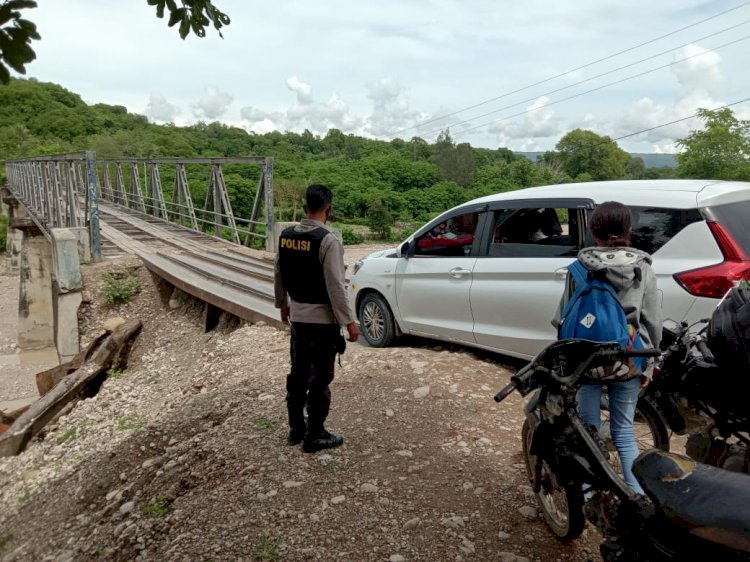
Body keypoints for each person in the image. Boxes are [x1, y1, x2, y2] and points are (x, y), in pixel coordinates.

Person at [552, 201, 661, 494]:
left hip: (586, 360)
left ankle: (589, 496)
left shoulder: (578, 268)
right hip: (629, 358)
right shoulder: (643, 268)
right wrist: (648, 365)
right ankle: (635, 498)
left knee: (588, 430)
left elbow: (561, 318)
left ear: (592, 230)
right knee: (624, 433)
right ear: (628, 229)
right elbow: (651, 322)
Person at [274, 184, 360, 453]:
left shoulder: (285, 236)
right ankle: (315, 434)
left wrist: (282, 303)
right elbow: (336, 285)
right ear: (329, 208)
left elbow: (279, 271)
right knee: (320, 378)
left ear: (304, 208)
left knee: (298, 373)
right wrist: (349, 321)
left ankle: (296, 429)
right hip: (322, 322)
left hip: (298, 318)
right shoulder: (328, 240)